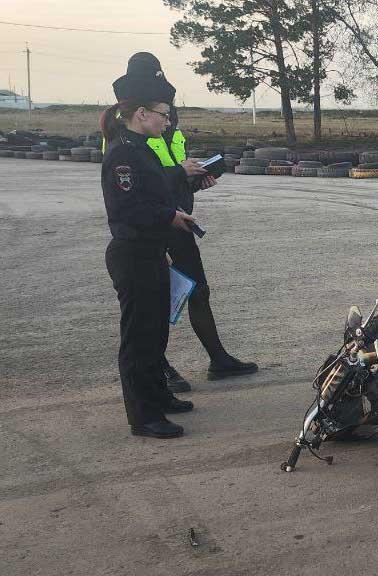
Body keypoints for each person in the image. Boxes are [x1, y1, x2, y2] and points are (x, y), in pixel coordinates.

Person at [120, 53, 258, 393]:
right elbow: (138, 183)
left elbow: (170, 172)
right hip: (152, 226)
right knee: (155, 302)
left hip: (179, 221)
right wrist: (179, 173)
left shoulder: (170, 126)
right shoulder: (125, 134)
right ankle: (161, 369)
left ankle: (219, 360)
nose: (166, 111)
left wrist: (195, 179)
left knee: (198, 291)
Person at [100, 56, 200, 438]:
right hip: (133, 253)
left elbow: (153, 192)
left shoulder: (141, 147)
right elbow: (126, 208)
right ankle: (143, 416)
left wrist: (174, 203)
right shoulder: (124, 153)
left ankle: (158, 396)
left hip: (151, 251)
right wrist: (169, 218)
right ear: (141, 113)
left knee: (157, 331)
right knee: (139, 337)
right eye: (163, 113)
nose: (167, 121)